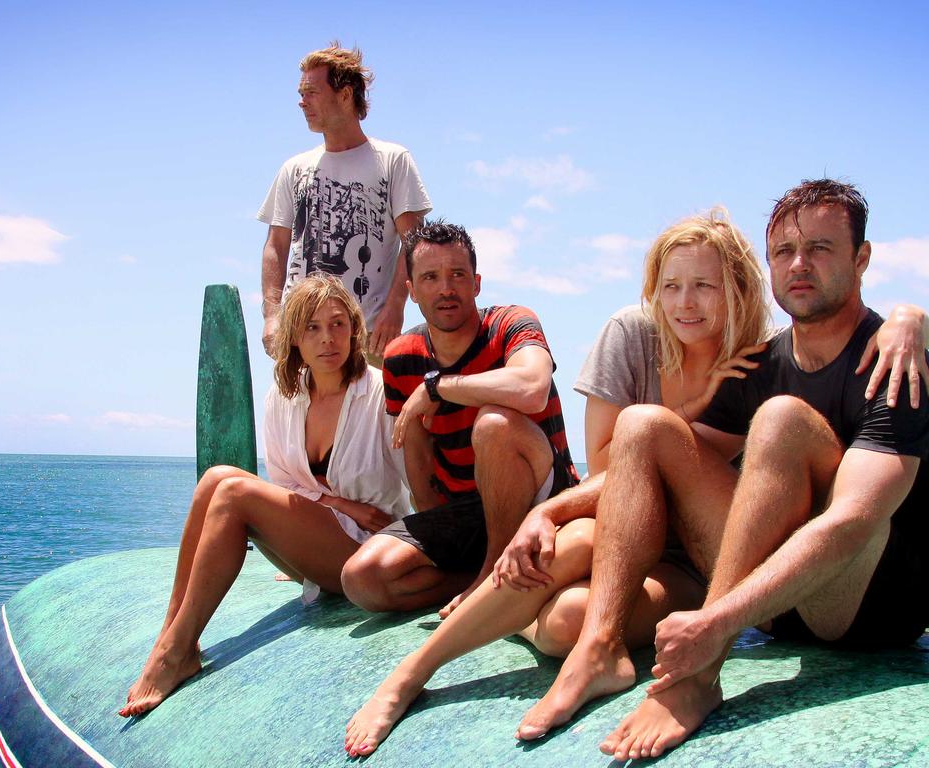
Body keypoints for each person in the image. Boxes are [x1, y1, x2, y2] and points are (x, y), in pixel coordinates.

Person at [508, 179, 928, 762]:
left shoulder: (895, 361)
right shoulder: (763, 362)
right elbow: (656, 459)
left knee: (780, 421)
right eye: (784, 252)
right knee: (644, 425)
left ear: (862, 260)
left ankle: (698, 677)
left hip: (865, 610)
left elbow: (854, 521)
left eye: (821, 249)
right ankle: (601, 648)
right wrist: (549, 511)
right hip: (775, 606)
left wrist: (712, 623)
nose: (799, 265)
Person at [343, 207, 770, 757]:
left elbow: (661, 452)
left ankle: (519, 616)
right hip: (623, 518)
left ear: (734, 288)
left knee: (565, 621)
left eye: (704, 286)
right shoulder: (631, 334)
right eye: (672, 286)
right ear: (654, 290)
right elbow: (616, 468)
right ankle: (408, 676)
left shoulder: (756, 356)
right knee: (564, 550)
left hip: (693, 554)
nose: (685, 302)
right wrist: (548, 516)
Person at [120, 274, 409, 717]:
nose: (327, 338)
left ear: (354, 329)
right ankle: (174, 636)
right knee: (216, 478)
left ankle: (173, 654)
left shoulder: (380, 394)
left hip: (368, 550)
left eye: (337, 324)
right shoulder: (285, 397)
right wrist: (342, 504)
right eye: (311, 327)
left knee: (233, 490)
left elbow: (414, 482)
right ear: (294, 337)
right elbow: (289, 485)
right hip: (326, 533)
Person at [339, 220, 580, 620]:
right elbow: (415, 447)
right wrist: (435, 529)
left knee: (494, 425)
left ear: (476, 283)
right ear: (412, 291)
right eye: (430, 277)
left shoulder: (510, 324)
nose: (446, 289)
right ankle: (478, 575)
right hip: (468, 510)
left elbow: (533, 385)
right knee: (363, 579)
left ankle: (489, 582)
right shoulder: (403, 357)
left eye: (457, 275)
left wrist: (439, 388)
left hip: (541, 495)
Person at [257, 42, 432, 362]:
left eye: (311, 92)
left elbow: (414, 242)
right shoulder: (293, 169)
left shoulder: (393, 160)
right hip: (302, 338)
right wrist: (272, 315)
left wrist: (396, 307)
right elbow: (276, 246)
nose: (301, 102)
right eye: (301, 92)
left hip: (368, 335)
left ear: (345, 93)